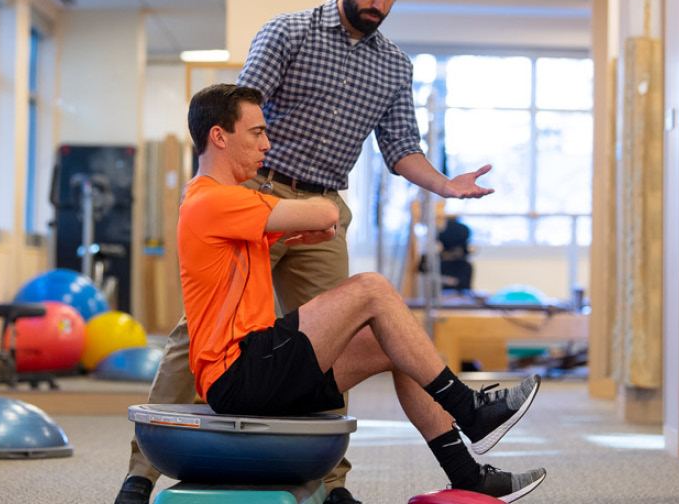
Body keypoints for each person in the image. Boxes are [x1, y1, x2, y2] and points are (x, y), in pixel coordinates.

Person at [115, 0, 512, 504]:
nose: (380, 4)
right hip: (261, 198)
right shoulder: (289, 32)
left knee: (344, 335)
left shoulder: (394, 67)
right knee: (193, 334)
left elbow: (401, 148)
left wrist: (446, 185)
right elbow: (238, 118)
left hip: (324, 211)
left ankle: (330, 482)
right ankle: (141, 471)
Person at [180, 84, 546, 502]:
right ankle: (471, 410)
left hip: (261, 368)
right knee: (371, 288)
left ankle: (466, 473)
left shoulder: (233, 205)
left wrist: (312, 220)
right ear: (219, 136)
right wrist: (319, 214)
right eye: (257, 133)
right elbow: (326, 213)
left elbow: (316, 228)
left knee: (396, 341)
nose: (268, 143)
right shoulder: (213, 200)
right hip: (240, 371)